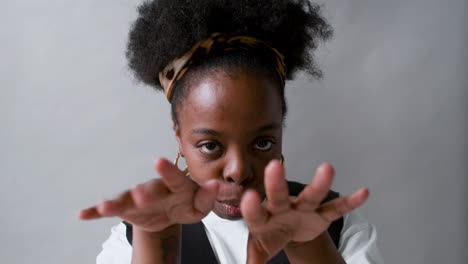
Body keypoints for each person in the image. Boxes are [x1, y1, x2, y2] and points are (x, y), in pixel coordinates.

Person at [78, 0, 384, 263]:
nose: (238, 171)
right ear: (179, 137)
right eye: (210, 145)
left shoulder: (337, 227)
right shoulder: (133, 239)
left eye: (263, 143)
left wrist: (309, 245)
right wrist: (156, 243)